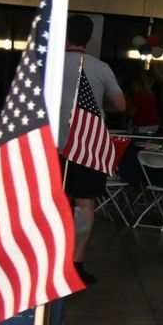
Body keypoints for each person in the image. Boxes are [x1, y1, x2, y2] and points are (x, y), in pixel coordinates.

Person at [58, 15, 126, 284]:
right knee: (85, 203)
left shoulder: (48, 65)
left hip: (53, 144)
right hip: (87, 146)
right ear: (89, 38)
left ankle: (52, 259)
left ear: (64, 34)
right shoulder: (100, 68)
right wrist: (98, 107)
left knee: (55, 201)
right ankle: (76, 263)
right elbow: (120, 105)